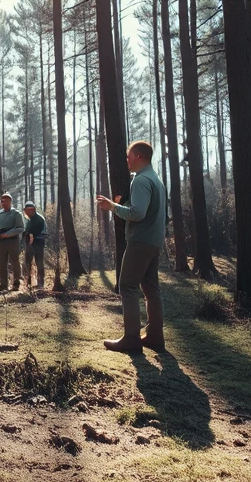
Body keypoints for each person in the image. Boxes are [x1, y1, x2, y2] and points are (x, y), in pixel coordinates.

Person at [95, 140, 167, 353]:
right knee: (151, 289)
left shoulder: (141, 180)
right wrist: (121, 205)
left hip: (141, 242)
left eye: (129, 156)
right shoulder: (156, 180)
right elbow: (144, 210)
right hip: (154, 242)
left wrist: (113, 207)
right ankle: (154, 336)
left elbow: (138, 214)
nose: (127, 160)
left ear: (139, 157)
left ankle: (131, 339)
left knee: (127, 286)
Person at [0, 192, 24, 292]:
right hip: (1, 241)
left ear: (10, 201)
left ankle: (16, 283)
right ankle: (3, 284)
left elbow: (20, 228)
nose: (4, 203)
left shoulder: (16, 213)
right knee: (2, 262)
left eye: (6, 201)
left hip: (12, 240)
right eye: (2, 201)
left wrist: (8, 233)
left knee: (14, 261)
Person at [22, 201, 47, 291]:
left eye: (30, 210)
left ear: (34, 210)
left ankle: (40, 284)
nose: (28, 212)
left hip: (38, 244)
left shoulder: (39, 219)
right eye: (26, 210)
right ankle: (28, 283)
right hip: (30, 244)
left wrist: (30, 236)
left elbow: (39, 232)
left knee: (39, 263)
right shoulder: (30, 219)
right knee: (28, 263)